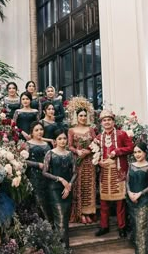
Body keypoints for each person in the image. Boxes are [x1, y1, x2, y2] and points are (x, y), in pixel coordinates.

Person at [94, 109, 134, 237]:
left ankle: (122, 227)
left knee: (120, 201)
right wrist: (98, 162)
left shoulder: (122, 134)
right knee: (104, 201)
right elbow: (93, 152)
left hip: (118, 170)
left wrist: (117, 151)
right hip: (105, 171)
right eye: (104, 120)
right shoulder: (99, 137)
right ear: (101, 123)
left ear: (113, 121)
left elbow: (131, 148)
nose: (107, 122)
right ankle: (104, 226)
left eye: (109, 120)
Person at [43, 129, 77, 249]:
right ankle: (61, 249)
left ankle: (64, 248)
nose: (63, 141)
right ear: (55, 141)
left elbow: (74, 173)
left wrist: (69, 185)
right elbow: (45, 172)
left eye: (64, 138)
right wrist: (60, 179)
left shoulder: (70, 154)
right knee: (60, 220)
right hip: (54, 190)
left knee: (65, 220)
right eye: (60, 139)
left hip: (67, 190)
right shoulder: (50, 153)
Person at [67, 96, 96, 224]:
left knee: (89, 186)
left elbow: (96, 144)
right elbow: (69, 146)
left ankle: (88, 212)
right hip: (78, 161)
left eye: (85, 115)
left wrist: (88, 151)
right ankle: (80, 213)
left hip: (89, 162)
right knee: (79, 187)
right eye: (81, 116)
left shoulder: (91, 130)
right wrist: (78, 151)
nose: (83, 118)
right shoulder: (71, 130)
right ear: (76, 117)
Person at [126, 142, 148, 254]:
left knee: (143, 231)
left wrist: (140, 193)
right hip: (132, 201)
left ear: (145, 152)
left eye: (139, 152)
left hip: (144, 202)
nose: (137, 154)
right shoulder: (131, 165)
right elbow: (127, 181)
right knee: (136, 230)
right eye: (135, 152)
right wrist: (129, 192)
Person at [26, 121, 52, 222]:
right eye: (36, 130)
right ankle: (40, 223)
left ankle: (49, 224)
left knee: (47, 199)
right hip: (33, 175)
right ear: (32, 132)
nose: (39, 132)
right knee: (37, 199)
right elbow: (23, 161)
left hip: (46, 175)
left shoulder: (47, 145)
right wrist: (37, 165)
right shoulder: (28, 144)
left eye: (41, 130)